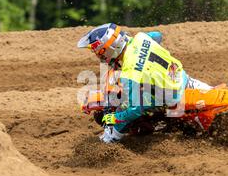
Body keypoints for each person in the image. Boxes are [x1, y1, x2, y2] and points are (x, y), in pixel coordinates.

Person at [77, 23, 212, 143]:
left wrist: (114, 118)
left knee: (123, 106)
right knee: (211, 92)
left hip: (168, 97)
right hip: (181, 78)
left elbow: (135, 110)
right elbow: (157, 36)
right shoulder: (141, 37)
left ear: (111, 48)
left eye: (100, 53)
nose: (100, 57)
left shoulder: (130, 72)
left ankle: (111, 138)